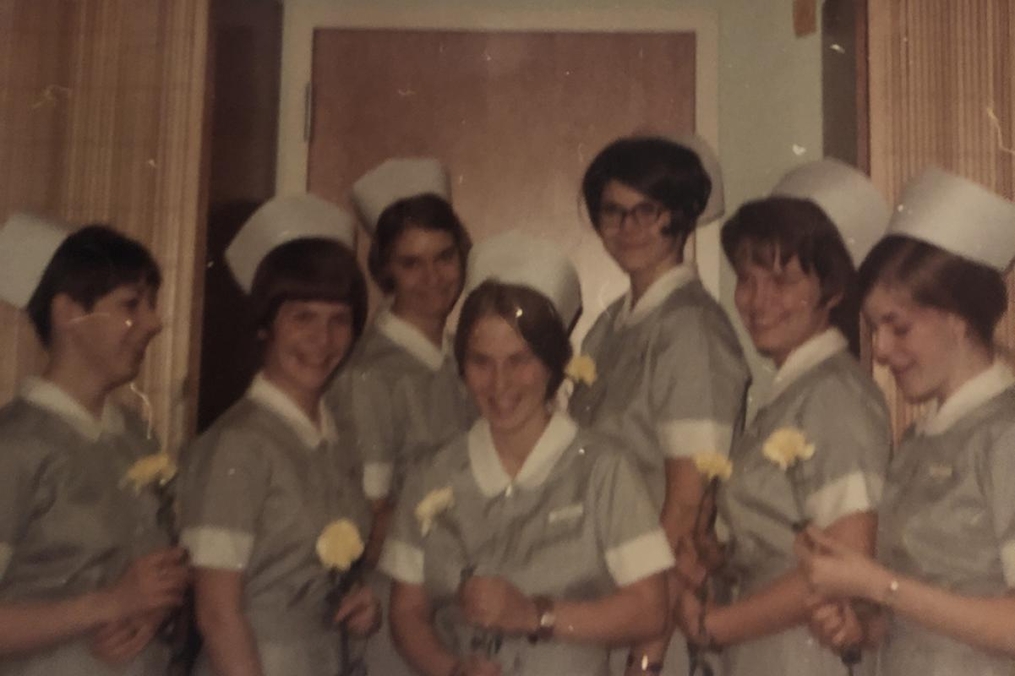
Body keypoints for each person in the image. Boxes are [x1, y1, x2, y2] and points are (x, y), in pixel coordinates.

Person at [381, 230, 674, 676]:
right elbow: (407, 612)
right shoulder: (433, 473)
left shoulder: (602, 469)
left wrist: (536, 615)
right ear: (461, 368)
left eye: (519, 360)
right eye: (482, 361)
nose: (500, 384)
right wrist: (449, 669)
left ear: (553, 365)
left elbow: (650, 610)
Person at [675, 159, 892, 676]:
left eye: (782, 279)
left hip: (807, 655)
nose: (756, 301)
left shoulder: (834, 396)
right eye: (747, 280)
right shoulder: (794, 393)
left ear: (833, 291)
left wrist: (716, 626)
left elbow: (845, 560)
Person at [797, 167, 1015, 676]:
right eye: (875, 331)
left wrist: (876, 585)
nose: (882, 353)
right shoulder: (918, 441)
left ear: (957, 317)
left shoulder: (1006, 435)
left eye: (898, 328)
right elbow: (917, 614)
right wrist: (863, 628)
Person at [568, 134, 750, 675]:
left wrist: (650, 647)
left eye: (647, 212)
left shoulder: (689, 327)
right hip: (609, 590)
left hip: (657, 605)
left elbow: (687, 507)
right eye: (613, 212)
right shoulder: (611, 327)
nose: (628, 229)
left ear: (682, 216)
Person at [179, 195, 380, 676]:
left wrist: (361, 604)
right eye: (302, 318)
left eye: (338, 321)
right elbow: (216, 613)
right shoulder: (240, 442)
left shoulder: (335, 437)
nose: (322, 340)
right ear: (266, 326)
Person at [0, 214, 190, 675]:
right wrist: (108, 604)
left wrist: (157, 606)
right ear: (69, 313)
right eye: (132, 303)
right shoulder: (15, 445)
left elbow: (165, 564)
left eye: (151, 304)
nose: (153, 322)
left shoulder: (137, 437)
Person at [331, 158, 476, 676]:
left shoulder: (465, 357)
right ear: (384, 269)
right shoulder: (369, 375)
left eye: (444, 257)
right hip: (396, 608)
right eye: (411, 263)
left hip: (457, 601)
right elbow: (372, 522)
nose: (432, 278)